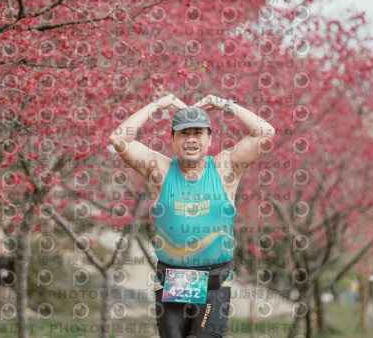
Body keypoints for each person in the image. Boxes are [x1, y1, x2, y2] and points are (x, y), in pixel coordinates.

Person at [110, 94, 274, 338]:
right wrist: (156, 105)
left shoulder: (225, 168)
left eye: (198, 133)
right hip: (173, 280)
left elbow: (265, 133)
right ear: (173, 139)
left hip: (214, 282)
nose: (191, 139)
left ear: (210, 138)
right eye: (184, 133)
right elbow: (119, 139)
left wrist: (226, 105)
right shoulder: (160, 171)